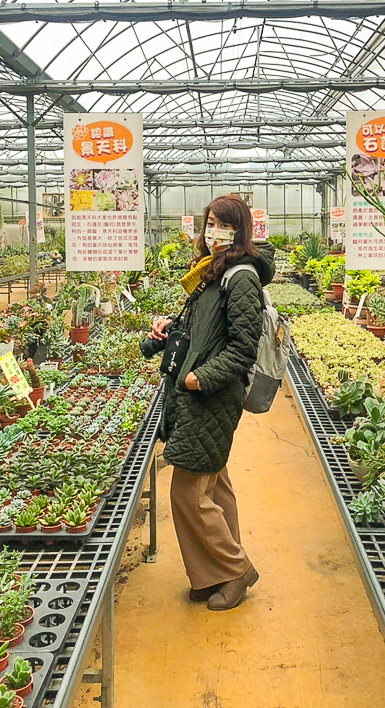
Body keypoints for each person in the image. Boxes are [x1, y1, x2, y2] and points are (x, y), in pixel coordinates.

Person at [149, 195, 274, 611]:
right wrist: (171, 327)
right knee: (215, 486)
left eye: (222, 224)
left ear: (240, 231)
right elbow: (206, 328)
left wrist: (198, 377)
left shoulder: (241, 278)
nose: (212, 230)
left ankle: (236, 570)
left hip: (212, 396)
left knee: (188, 492)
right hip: (198, 393)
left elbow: (242, 350)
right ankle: (211, 575)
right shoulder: (210, 273)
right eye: (209, 222)